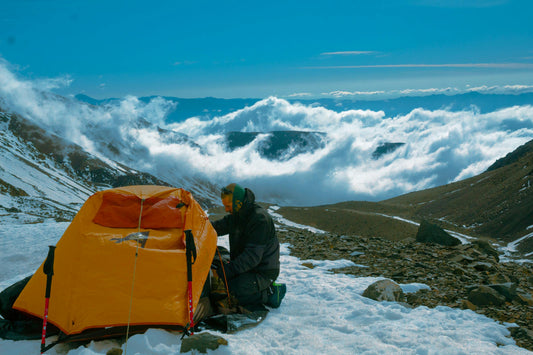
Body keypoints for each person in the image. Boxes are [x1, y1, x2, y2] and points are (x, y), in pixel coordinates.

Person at [211, 183, 280, 308]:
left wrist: (224, 272)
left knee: (228, 292)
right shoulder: (236, 216)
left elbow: (251, 258)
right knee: (217, 282)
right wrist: (196, 225)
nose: (226, 210)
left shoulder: (260, 220)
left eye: (228, 206)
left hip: (262, 272)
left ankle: (269, 292)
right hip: (246, 267)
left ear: (238, 203)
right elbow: (215, 228)